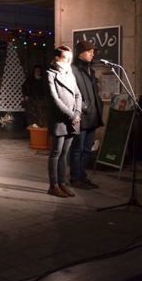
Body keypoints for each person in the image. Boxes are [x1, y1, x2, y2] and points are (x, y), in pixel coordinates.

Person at [46, 46, 81, 198]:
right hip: (60, 119)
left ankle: (62, 184)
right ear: (57, 58)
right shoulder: (50, 74)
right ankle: (53, 186)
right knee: (56, 153)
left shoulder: (70, 73)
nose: (68, 60)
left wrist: (77, 112)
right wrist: (72, 115)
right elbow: (55, 99)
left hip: (72, 119)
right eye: (65, 57)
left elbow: (78, 94)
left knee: (64, 154)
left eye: (70, 58)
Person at [70, 40, 104, 189]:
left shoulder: (91, 71)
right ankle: (75, 178)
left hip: (93, 116)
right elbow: (71, 93)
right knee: (77, 148)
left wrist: (98, 106)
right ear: (80, 53)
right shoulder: (73, 70)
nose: (92, 54)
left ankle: (82, 177)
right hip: (81, 116)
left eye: (93, 51)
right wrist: (83, 107)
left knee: (87, 149)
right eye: (89, 51)